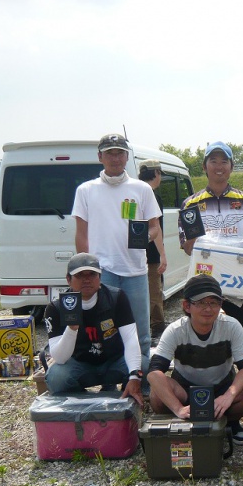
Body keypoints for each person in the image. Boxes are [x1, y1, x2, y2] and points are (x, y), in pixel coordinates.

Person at [179, 141, 243, 403]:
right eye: (213, 161)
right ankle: (201, 387)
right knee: (204, 334)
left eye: (224, 161)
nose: (219, 167)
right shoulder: (191, 204)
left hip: (237, 285)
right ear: (205, 166)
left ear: (231, 167)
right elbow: (188, 248)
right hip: (203, 285)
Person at [72, 133, 162, 384]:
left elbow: (155, 227)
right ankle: (111, 384)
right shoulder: (86, 190)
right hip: (104, 271)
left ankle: (142, 384)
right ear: (100, 156)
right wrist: (84, 270)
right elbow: (81, 234)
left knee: (142, 333)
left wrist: (145, 236)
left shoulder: (141, 188)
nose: (115, 158)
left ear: (127, 156)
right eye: (109, 153)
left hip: (135, 271)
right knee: (107, 332)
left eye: (120, 153)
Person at [148, 275, 243, 445]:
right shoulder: (175, 330)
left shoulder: (232, 326)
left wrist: (229, 396)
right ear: (186, 306)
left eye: (213, 303)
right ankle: (185, 423)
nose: (208, 309)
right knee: (157, 395)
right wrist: (178, 408)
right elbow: (153, 372)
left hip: (222, 387)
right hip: (186, 390)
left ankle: (229, 422)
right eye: (201, 303)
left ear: (220, 305)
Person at [43, 253, 143, 406]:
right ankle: (82, 401)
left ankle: (127, 398)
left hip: (114, 361)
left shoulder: (117, 298)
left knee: (146, 367)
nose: (87, 280)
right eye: (80, 275)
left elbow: (130, 339)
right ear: (68, 279)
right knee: (56, 376)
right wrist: (72, 328)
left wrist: (134, 376)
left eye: (92, 274)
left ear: (100, 278)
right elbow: (60, 358)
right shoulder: (56, 308)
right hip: (80, 364)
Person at [138, 160, 167, 339]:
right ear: (156, 173)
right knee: (154, 291)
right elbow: (156, 228)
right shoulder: (151, 195)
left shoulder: (132, 192)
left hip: (132, 252)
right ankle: (157, 326)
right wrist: (163, 254)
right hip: (150, 254)